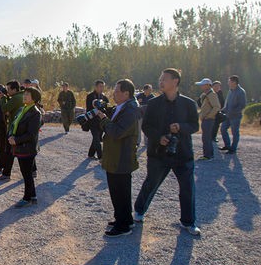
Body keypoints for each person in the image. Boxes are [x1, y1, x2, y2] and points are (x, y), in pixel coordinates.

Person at [134, 68, 201, 236]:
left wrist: (181, 128)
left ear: (175, 81)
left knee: (187, 188)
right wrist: (159, 137)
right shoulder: (154, 104)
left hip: (183, 154)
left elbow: (194, 126)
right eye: (160, 78)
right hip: (159, 153)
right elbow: (146, 126)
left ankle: (188, 222)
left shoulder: (188, 104)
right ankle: (139, 211)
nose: (161, 81)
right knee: (151, 183)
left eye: (164, 79)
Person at [94, 79, 140, 237]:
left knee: (121, 191)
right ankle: (124, 219)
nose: (113, 93)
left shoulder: (131, 110)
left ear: (126, 93)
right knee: (118, 191)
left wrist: (102, 118)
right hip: (116, 156)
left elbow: (117, 131)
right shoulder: (123, 106)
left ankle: (123, 226)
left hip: (121, 157)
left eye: (117, 91)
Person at [7, 87, 43, 207]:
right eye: (25, 94)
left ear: (34, 98)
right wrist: (11, 136)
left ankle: (27, 199)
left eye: (28, 94)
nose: (24, 96)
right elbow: (13, 124)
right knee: (26, 173)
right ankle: (33, 196)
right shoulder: (22, 109)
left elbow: (31, 134)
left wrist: (16, 140)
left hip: (27, 148)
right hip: (20, 146)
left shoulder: (35, 113)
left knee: (27, 174)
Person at [0, 80, 25, 181]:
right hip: (20, 128)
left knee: (9, 152)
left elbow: (4, 108)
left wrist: (3, 97)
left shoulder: (16, 98)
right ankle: (32, 171)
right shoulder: (21, 96)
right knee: (22, 151)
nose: (7, 91)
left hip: (13, 128)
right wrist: (7, 96)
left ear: (14, 89)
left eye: (8, 89)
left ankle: (6, 174)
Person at [219, 75, 247, 154]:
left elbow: (243, 105)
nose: (228, 83)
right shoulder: (230, 90)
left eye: (229, 81)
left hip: (236, 116)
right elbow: (227, 103)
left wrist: (233, 111)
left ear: (234, 82)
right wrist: (223, 110)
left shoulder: (241, 92)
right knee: (223, 129)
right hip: (227, 115)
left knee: (235, 132)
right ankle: (227, 145)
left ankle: (233, 149)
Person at [195, 78, 221, 160]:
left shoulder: (212, 94)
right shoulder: (205, 94)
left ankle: (208, 155)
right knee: (206, 137)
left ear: (207, 85)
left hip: (209, 120)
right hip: (206, 119)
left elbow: (217, 107)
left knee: (206, 137)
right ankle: (209, 154)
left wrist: (209, 116)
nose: (201, 86)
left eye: (202, 85)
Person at [86, 80, 109, 160]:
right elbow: (88, 109)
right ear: (95, 87)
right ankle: (101, 157)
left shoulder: (104, 97)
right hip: (93, 121)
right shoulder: (90, 97)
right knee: (96, 138)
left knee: (97, 138)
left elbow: (106, 109)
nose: (102, 88)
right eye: (100, 86)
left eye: (103, 86)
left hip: (101, 122)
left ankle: (91, 154)